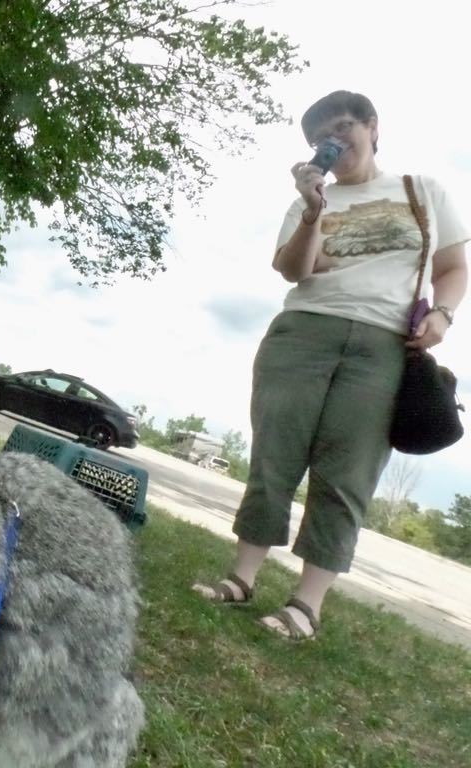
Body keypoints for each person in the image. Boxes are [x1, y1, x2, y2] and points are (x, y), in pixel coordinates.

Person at [191, 91, 469, 640]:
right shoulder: (308, 200)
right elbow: (296, 270)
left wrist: (443, 314)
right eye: (321, 137)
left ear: (372, 127)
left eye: (343, 128)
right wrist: (314, 209)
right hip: (303, 333)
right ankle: (241, 578)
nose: (334, 142)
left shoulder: (422, 190)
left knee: (348, 472)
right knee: (274, 458)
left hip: (384, 345)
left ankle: (305, 605)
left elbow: (454, 267)